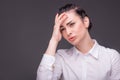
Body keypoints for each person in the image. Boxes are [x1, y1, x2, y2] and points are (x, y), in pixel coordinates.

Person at [36, 3, 120, 80]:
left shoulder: (111, 57)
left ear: (85, 22)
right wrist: (54, 40)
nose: (68, 32)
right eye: (63, 29)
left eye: (71, 24)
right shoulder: (61, 58)